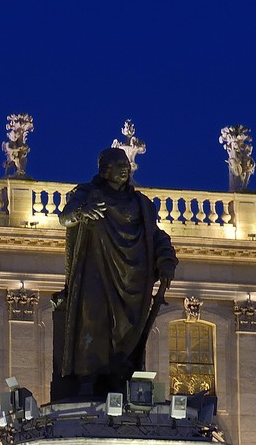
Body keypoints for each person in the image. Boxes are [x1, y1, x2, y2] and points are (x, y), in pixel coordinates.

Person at [51, 146, 177, 401]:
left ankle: (118, 376)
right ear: (104, 170)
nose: (125, 169)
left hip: (132, 279)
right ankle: (87, 379)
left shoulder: (141, 204)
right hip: (95, 271)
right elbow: (65, 218)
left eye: (126, 165)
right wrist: (81, 212)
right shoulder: (87, 194)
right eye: (119, 165)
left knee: (125, 331)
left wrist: (166, 259)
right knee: (92, 321)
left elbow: (156, 236)